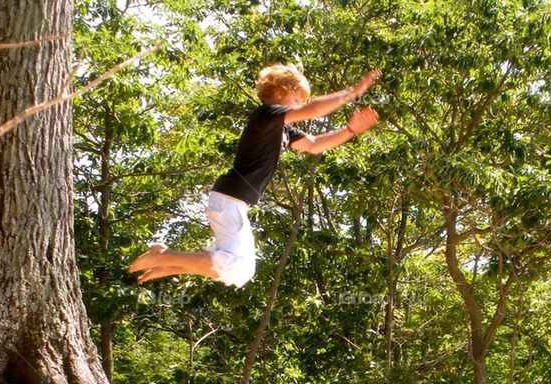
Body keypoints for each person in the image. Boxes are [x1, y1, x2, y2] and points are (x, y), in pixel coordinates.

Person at [128, 64, 382, 286]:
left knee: (242, 271)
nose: (300, 104)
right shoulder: (266, 115)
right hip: (230, 199)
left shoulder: (282, 128)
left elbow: (314, 144)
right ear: (282, 91)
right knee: (236, 267)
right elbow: (314, 110)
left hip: (233, 201)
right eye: (298, 97)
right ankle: (163, 258)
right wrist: (352, 92)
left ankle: (166, 261)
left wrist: (350, 130)